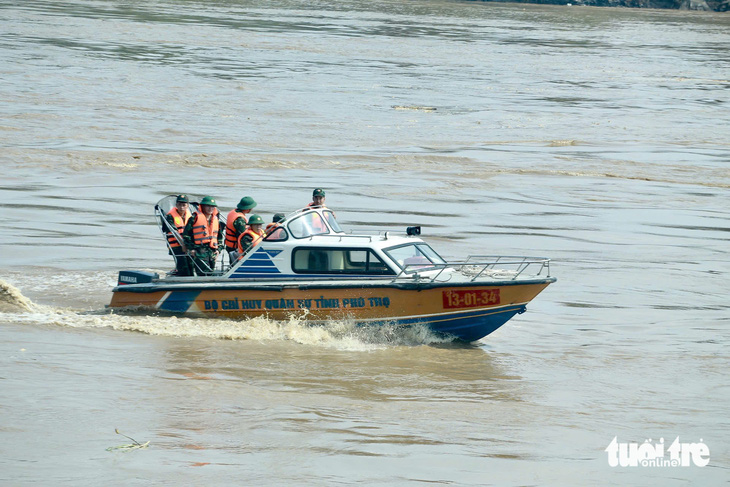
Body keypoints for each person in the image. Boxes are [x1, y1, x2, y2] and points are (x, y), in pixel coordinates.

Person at [183, 196, 223, 275]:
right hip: (199, 251)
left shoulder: (216, 220)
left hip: (212, 252)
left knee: (210, 272)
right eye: (208, 206)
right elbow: (186, 235)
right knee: (203, 273)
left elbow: (219, 237)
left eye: (212, 206)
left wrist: (219, 250)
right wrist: (191, 249)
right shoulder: (194, 218)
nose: (210, 208)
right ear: (203, 206)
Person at [165, 194, 193, 276]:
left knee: (191, 266)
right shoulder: (170, 216)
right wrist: (183, 244)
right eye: (179, 205)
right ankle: (180, 277)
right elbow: (174, 231)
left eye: (184, 205)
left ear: (187, 206)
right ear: (176, 205)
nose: (181, 207)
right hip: (176, 245)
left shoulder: (190, 216)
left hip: (187, 244)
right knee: (183, 266)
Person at [225, 196, 256, 261]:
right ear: (248, 209)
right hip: (234, 248)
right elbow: (242, 236)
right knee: (235, 265)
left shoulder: (233, 212)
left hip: (229, 245)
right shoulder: (240, 220)